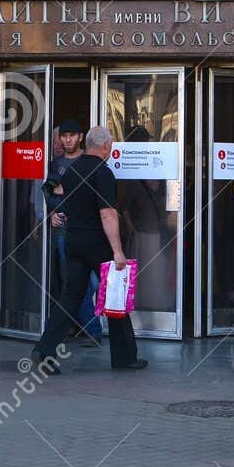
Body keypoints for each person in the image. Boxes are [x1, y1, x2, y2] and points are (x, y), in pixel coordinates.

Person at [31, 125, 146, 373]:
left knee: (70, 297)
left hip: (73, 241)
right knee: (115, 295)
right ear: (105, 145)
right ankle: (124, 356)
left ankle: (44, 349)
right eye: (111, 144)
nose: (111, 148)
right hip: (97, 243)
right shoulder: (103, 173)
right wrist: (117, 251)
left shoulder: (72, 171)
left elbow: (58, 197)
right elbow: (107, 214)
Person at [45, 119, 101, 347]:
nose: (67, 139)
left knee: (88, 283)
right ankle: (87, 328)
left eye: (72, 135)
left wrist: (62, 194)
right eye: (64, 136)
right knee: (72, 283)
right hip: (64, 233)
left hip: (89, 231)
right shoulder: (55, 163)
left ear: (80, 137)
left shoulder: (88, 161)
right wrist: (53, 212)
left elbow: (86, 195)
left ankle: (91, 328)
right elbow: (49, 191)